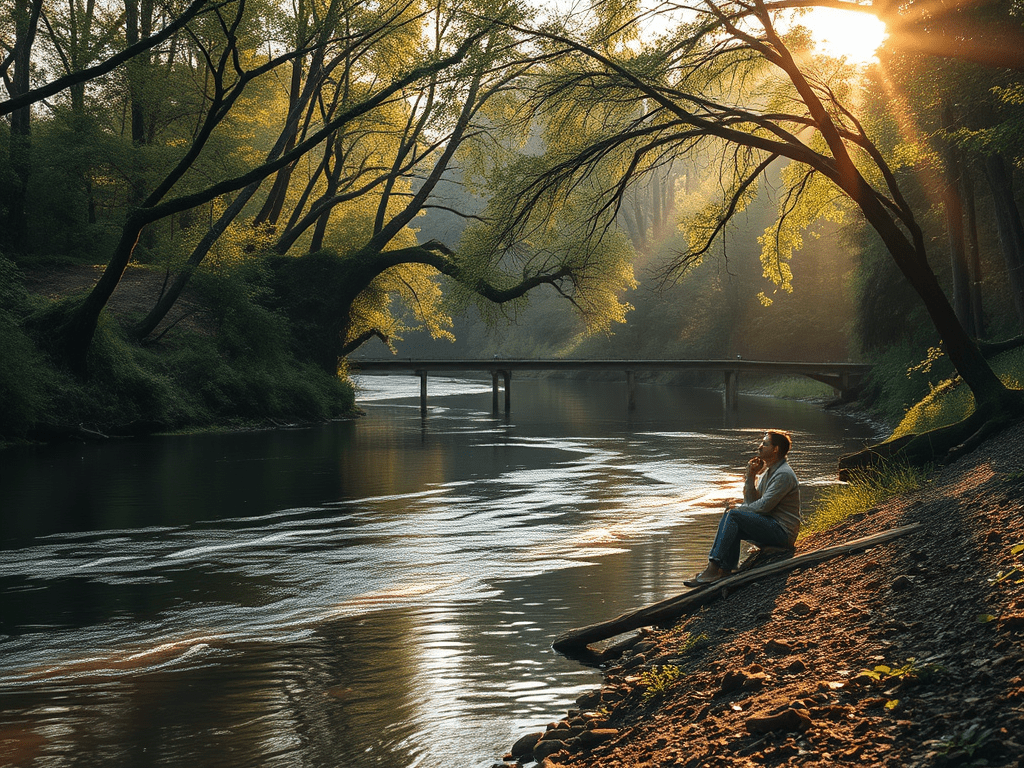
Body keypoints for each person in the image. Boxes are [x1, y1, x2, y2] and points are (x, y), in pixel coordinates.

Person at [684, 431, 800, 587]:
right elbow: (753, 502)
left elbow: (764, 507)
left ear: (775, 449)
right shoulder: (769, 472)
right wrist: (751, 476)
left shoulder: (783, 474)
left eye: (765, 444)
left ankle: (712, 568)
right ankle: (725, 570)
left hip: (783, 533)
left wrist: (739, 510)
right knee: (732, 516)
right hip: (771, 525)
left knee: (734, 516)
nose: (760, 447)